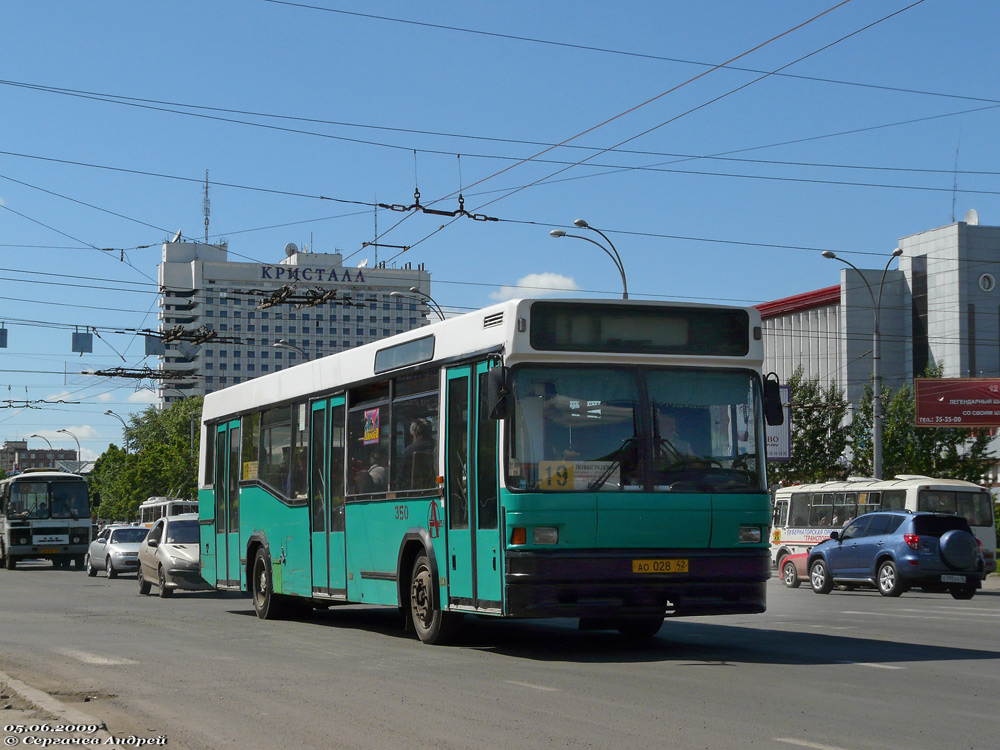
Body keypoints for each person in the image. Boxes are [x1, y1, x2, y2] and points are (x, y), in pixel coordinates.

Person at [397, 418, 434, 489]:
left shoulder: (409, 450)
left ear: (414, 433)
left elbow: (401, 477)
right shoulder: (437, 445)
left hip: (413, 490)